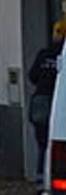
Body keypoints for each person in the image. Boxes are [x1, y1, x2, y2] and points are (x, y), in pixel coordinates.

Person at [29, 21, 65, 159]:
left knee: (42, 142)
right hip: (60, 103)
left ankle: (40, 173)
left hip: (41, 100)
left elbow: (32, 76)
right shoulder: (63, 55)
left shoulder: (44, 54)